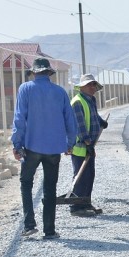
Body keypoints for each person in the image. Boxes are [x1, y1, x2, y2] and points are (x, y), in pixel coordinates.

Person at [12, 57, 77, 239]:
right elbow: (70, 121)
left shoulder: (25, 89)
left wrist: (16, 145)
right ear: (49, 73)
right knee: (50, 188)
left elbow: (19, 119)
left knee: (26, 184)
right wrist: (70, 144)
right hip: (53, 149)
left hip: (31, 147)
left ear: (33, 73)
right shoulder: (60, 92)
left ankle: (29, 225)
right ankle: (49, 230)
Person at [69, 74, 109, 217]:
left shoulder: (90, 100)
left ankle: (86, 202)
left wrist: (101, 121)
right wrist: (87, 142)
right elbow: (79, 125)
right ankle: (76, 207)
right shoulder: (77, 102)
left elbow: (93, 116)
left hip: (89, 145)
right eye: (90, 85)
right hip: (81, 146)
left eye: (94, 85)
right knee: (81, 176)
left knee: (90, 175)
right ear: (82, 87)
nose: (93, 88)